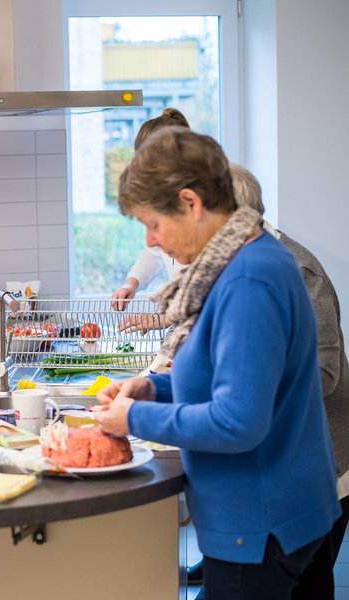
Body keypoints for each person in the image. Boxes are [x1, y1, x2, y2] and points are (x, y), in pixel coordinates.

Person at [94, 127, 341, 599]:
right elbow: (230, 375)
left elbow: (238, 421)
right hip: (269, 510)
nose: (153, 242)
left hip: (260, 520)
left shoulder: (248, 279)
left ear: (191, 202)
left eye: (154, 224)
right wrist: (153, 390)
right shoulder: (245, 257)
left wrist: (133, 417)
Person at [230, 162, 349, 599]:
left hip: (323, 466)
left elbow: (324, 375)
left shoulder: (299, 273)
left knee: (308, 587)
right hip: (281, 462)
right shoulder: (243, 265)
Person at [111, 108, 190, 311]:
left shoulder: (196, 202)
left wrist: (162, 320)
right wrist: (132, 281)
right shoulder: (165, 195)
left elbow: (205, 287)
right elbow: (155, 251)